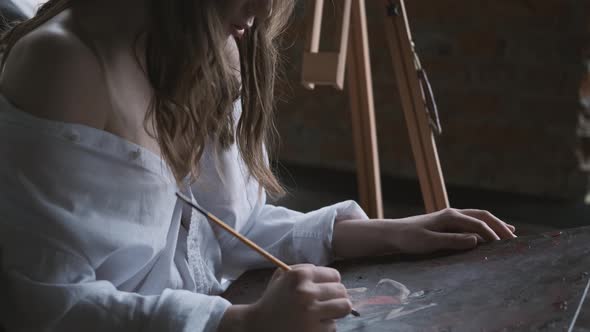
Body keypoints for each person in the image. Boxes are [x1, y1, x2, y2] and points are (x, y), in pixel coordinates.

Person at [0, 0, 516, 331]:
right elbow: (41, 308)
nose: (261, 12)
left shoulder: (214, 46)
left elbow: (229, 229)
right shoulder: (63, 66)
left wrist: (389, 234)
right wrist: (243, 324)